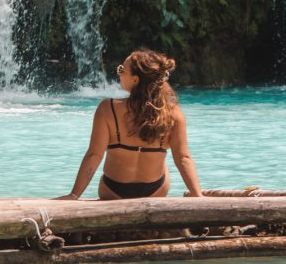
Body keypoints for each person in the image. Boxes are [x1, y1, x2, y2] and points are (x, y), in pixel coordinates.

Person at [57, 49, 203, 200]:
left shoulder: (108, 109)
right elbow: (183, 158)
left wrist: (74, 195)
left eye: (122, 70)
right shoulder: (173, 113)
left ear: (135, 79)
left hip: (113, 191)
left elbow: (94, 155)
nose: (119, 73)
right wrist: (197, 196)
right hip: (156, 191)